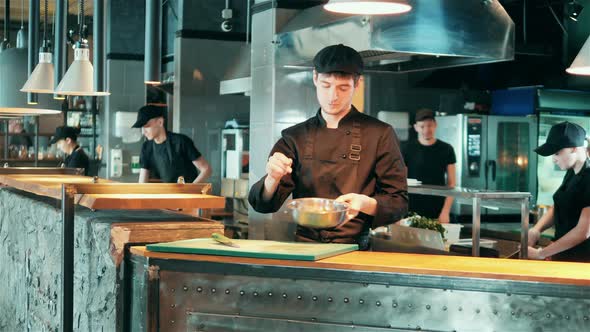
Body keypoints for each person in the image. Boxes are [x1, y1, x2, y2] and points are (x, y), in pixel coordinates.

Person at [248, 44, 408, 247]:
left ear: (357, 84)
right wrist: (273, 178)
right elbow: (263, 204)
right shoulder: (294, 136)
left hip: (356, 248)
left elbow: (399, 202)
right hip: (304, 247)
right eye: (326, 85)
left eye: (343, 88)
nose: (333, 96)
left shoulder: (379, 133)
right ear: (315, 78)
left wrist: (365, 203)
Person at [528, 121, 590, 262]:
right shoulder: (571, 172)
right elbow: (559, 206)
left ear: (574, 148)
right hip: (564, 256)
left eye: (557, 153)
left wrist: (541, 253)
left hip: (582, 262)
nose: (554, 159)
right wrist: (536, 230)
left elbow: (583, 232)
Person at [133, 105, 212, 183]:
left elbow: (206, 169)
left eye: (147, 126)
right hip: (170, 194)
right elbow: (142, 182)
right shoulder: (146, 147)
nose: (143, 132)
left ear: (160, 122)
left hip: (190, 194)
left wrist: (190, 190)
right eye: (142, 127)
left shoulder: (181, 142)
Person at [402, 109, 456, 223]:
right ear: (416, 127)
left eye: (430, 125)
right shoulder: (407, 149)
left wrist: (445, 212)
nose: (426, 130)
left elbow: (452, 184)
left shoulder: (447, 149)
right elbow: (402, 183)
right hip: (412, 211)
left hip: (438, 210)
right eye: (422, 126)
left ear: (435, 125)